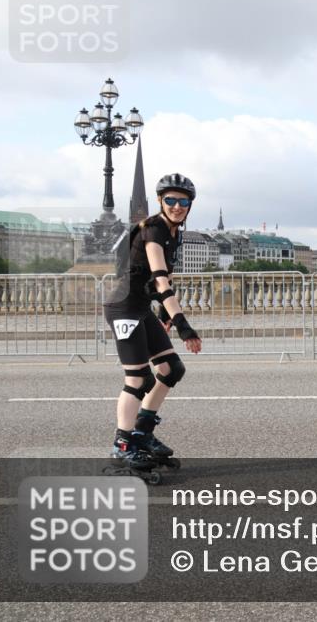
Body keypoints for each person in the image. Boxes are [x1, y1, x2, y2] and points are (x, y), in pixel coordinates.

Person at [103, 173, 202, 475]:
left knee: (172, 369)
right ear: (160, 201)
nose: (177, 206)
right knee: (138, 379)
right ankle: (122, 446)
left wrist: (164, 317)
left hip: (141, 308)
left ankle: (142, 432)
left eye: (183, 201)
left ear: (189, 205)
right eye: (170, 200)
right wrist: (184, 326)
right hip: (123, 307)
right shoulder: (154, 229)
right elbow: (160, 279)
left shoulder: (175, 233)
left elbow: (164, 278)